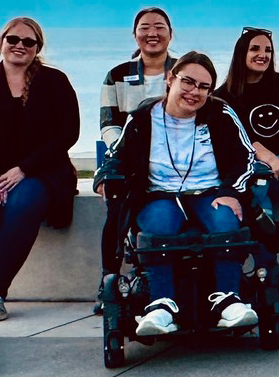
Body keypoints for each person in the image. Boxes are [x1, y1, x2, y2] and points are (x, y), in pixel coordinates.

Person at [96, 51, 262, 336]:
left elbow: (246, 156)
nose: (194, 91)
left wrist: (231, 191)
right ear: (170, 80)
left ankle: (228, 300)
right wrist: (104, 179)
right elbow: (116, 155)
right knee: (159, 225)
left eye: (203, 87)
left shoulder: (220, 114)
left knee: (225, 221)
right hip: (159, 193)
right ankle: (161, 306)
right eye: (188, 82)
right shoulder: (142, 118)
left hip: (210, 191)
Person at [0, 16, 81, 321]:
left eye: (28, 42)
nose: (19, 46)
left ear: (38, 48)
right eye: (13, 39)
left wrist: (23, 169)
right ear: (2, 43)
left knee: (23, 202)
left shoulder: (55, 81)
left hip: (45, 172)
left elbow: (69, 132)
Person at [215, 27, 279, 263]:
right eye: (255, 48)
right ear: (241, 53)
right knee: (258, 183)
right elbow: (232, 142)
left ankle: (261, 266)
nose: (263, 54)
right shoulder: (224, 96)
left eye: (268, 50)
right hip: (251, 172)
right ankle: (267, 264)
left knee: (256, 182)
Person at [97, 6, 176, 273]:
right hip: (128, 157)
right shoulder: (117, 74)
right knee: (116, 204)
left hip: (176, 158)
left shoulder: (183, 71)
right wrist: (126, 150)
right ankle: (109, 281)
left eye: (159, 27)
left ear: (170, 34)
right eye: (145, 28)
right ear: (135, 35)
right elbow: (108, 124)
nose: (152, 33)